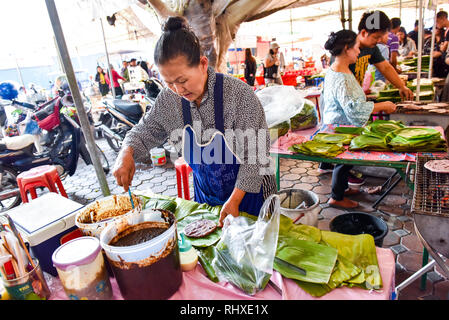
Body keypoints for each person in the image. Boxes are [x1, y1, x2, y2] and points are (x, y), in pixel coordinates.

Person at [112, 16, 277, 227]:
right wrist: (127, 151)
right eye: (169, 83)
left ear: (202, 64)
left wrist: (235, 200)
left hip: (251, 199)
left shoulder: (238, 95)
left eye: (182, 80)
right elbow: (146, 130)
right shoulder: (169, 100)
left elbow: (256, 156)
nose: (178, 90)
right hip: (207, 201)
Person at [322, 30, 397, 209]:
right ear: (347, 49)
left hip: (341, 123)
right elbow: (354, 110)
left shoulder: (340, 69)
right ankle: (336, 197)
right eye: (356, 47)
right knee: (343, 161)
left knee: (345, 162)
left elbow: (350, 101)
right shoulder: (342, 77)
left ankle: (341, 189)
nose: (358, 51)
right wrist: (382, 105)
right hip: (342, 126)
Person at [351, 11, 413, 100]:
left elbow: (385, 67)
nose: (379, 40)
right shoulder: (347, 49)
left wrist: (401, 87)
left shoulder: (371, 47)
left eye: (381, 36)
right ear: (364, 33)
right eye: (376, 37)